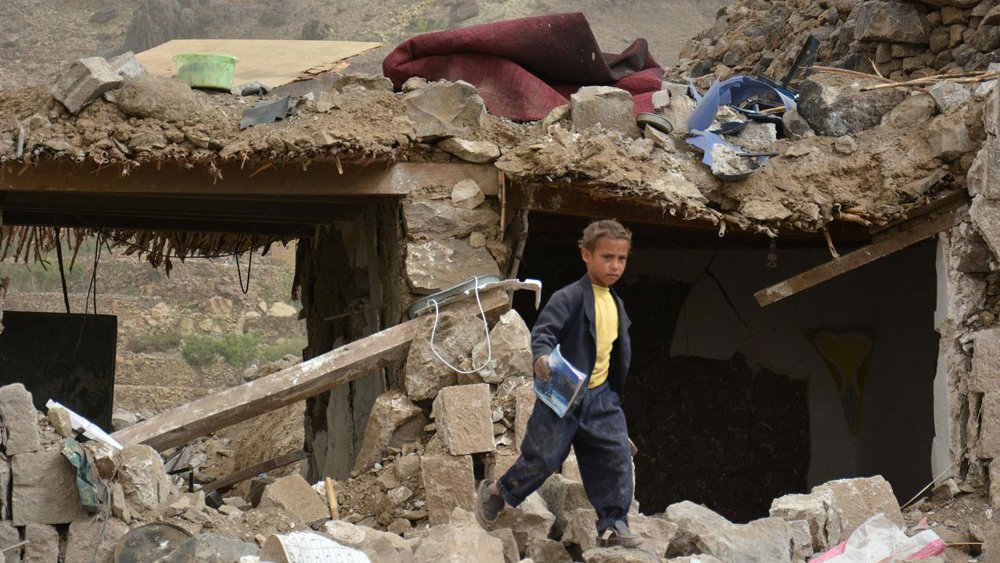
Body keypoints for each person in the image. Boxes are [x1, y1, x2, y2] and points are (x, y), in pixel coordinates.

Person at [475, 219, 640, 548]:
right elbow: (544, 332)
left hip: (601, 397)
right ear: (586, 255)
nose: (615, 265)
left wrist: (611, 393)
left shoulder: (615, 303)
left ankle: (613, 525)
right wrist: (541, 357)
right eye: (607, 257)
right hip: (564, 393)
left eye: (621, 258)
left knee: (616, 456)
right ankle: (496, 492)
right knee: (543, 459)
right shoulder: (569, 297)